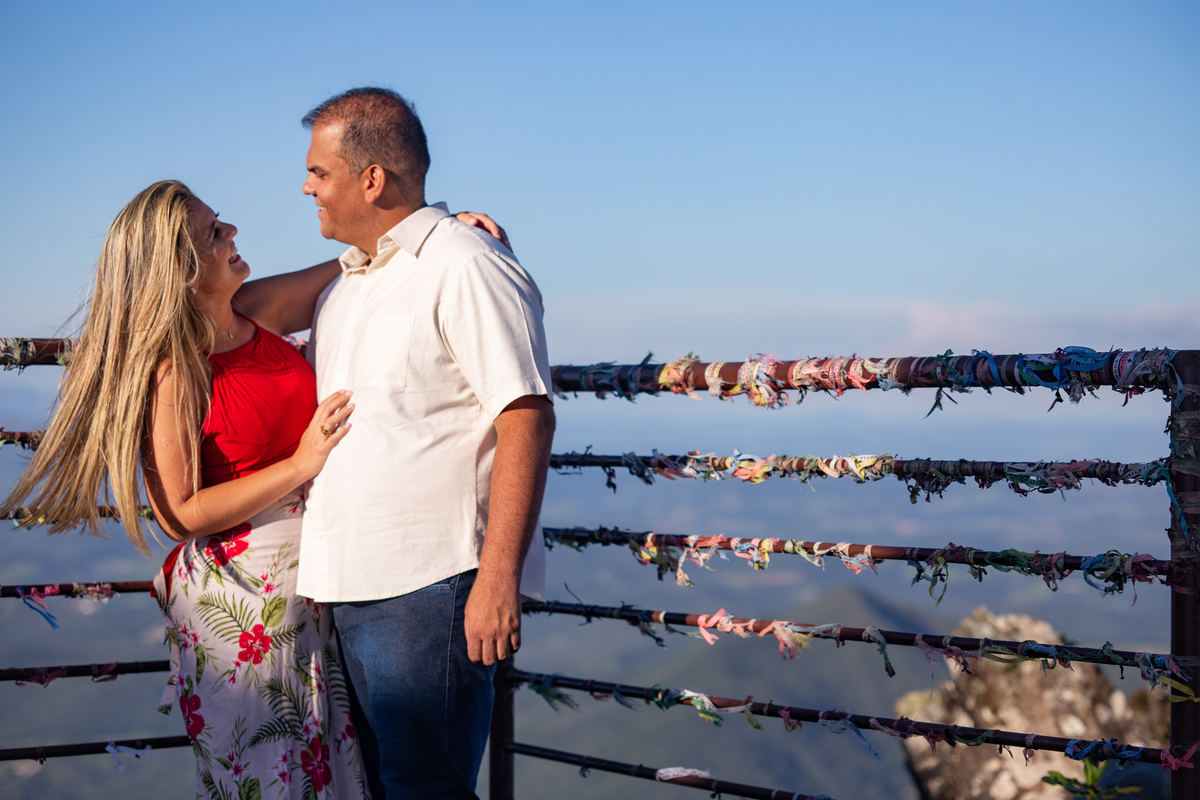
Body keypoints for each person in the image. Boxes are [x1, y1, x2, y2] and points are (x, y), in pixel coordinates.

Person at [0, 179, 509, 800]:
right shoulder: (174, 368)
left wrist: (440, 231)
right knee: (274, 778)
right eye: (214, 233)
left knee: (334, 772)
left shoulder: (254, 309)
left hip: (317, 587)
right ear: (181, 270)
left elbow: (362, 261)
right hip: (244, 608)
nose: (233, 232)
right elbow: (179, 514)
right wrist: (301, 463)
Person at [295, 87, 556, 800]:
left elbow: (526, 416)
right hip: (348, 581)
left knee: (424, 789)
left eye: (319, 172)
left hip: (432, 587)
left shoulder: (466, 264)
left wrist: (497, 579)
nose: (307, 187)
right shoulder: (347, 285)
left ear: (371, 179)